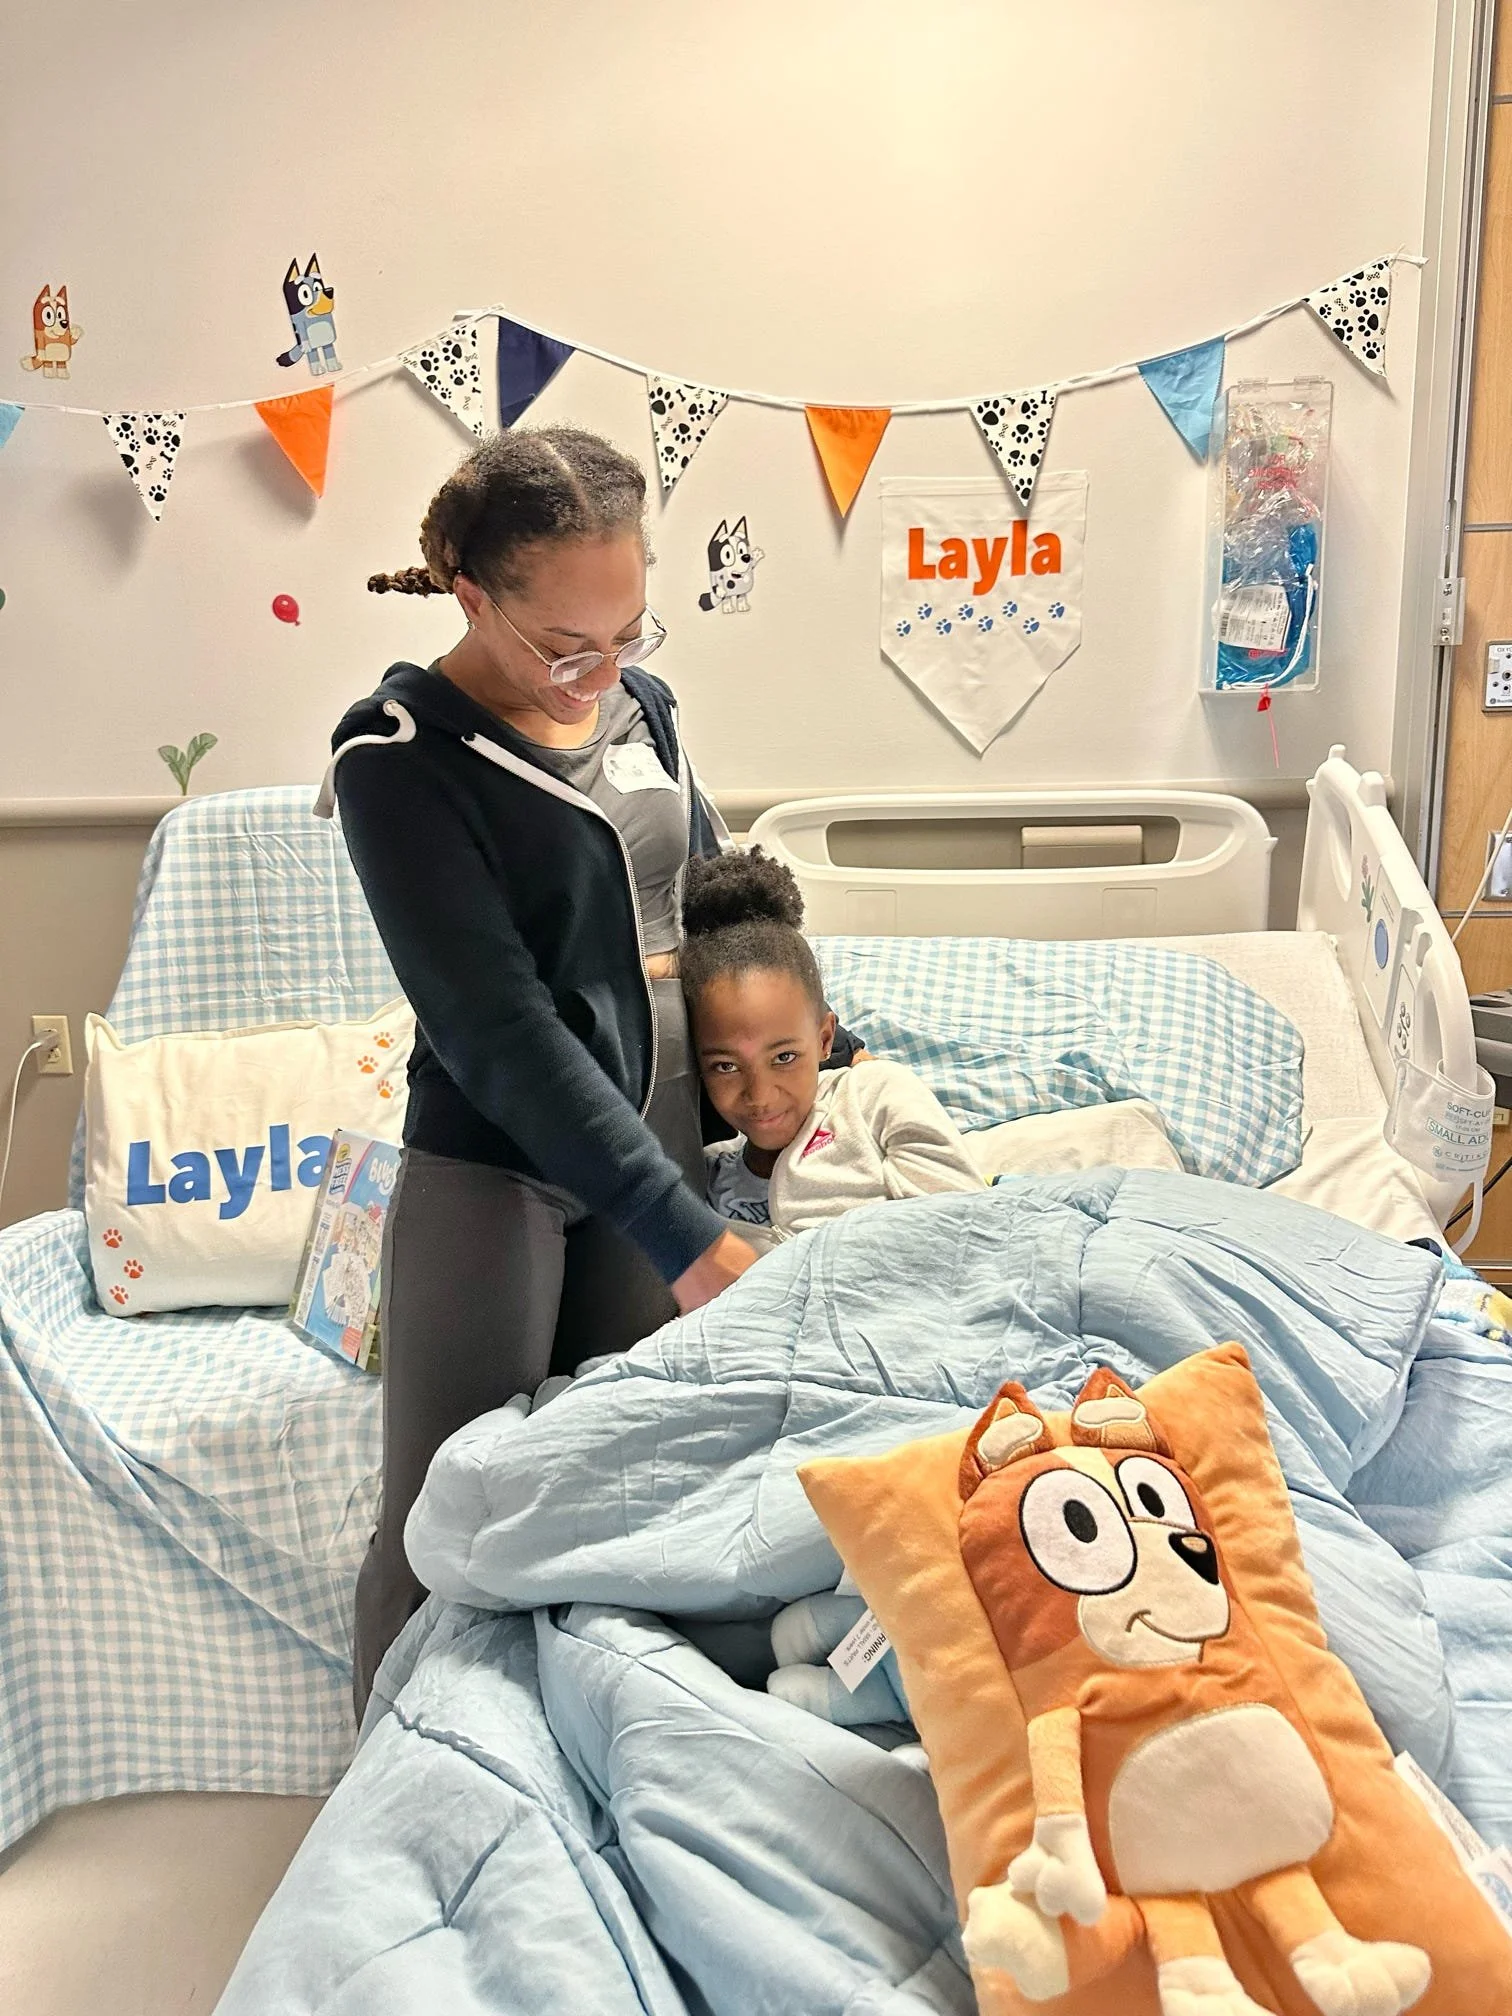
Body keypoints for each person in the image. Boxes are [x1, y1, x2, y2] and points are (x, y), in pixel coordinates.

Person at [320, 426, 863, 1713]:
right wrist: (685, 1237)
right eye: (568, 646)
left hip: (658, 1147)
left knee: (624, 1496)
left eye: (629, 633)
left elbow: (712, 901)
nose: (602, 674)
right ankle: (396, 1771)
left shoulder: (640, 708)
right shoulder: (399, 758)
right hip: (500, 1168)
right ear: (472, 597)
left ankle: (591, 1756)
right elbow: (497, 1031)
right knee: (447, 1519)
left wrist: (821, 1054)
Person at [683, 849, 985, 1247]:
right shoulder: (706, 1181)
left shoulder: (872, 1097)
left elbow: (963, 1229)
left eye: (784, 1057)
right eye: (726, 1066)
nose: (760, 1096)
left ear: (825, 1039)